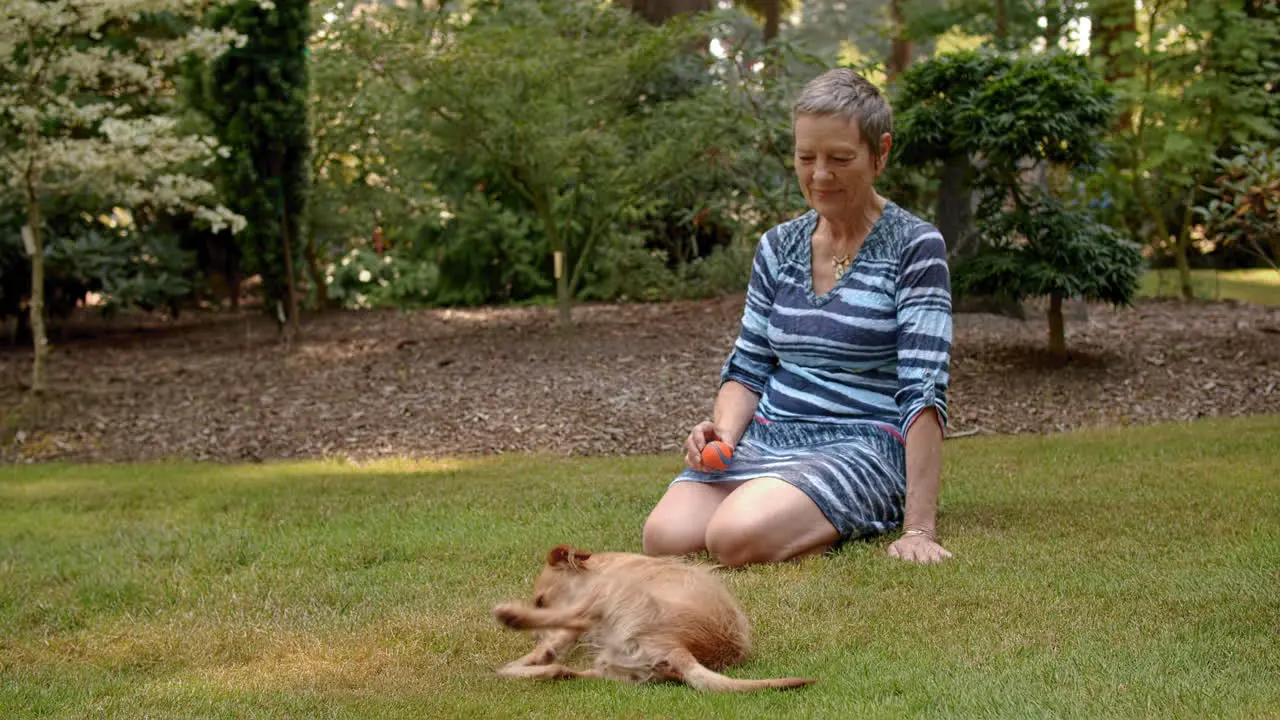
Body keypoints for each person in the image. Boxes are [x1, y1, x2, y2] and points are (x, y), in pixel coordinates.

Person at [642, 68, 953, 566]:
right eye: (806, 157)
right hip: (772, 432)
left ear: (881, 152)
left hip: (863, 441)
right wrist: (721, 435)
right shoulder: (778, 246)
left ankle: (855, 506)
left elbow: (924, 387)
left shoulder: (915, 247)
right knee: (664, 536)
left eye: (840, 158)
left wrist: (919, 527)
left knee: (731, 536)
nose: (819, 175)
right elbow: (748, 367)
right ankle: (781, 499)